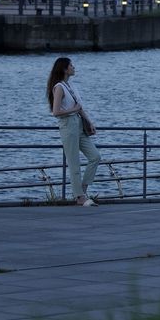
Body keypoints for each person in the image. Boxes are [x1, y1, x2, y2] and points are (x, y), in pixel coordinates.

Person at [46, 57, 101, 207]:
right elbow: (56, 112)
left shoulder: (70, 85)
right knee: (74, 162)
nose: (74, 68)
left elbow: (79, 106)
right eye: (71, 66)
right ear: (64, 69)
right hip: (68, 124)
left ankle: (82, 190)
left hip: (78, 124)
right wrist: (74, 110)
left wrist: (90, 122)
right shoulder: (59, 87)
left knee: (95, 156)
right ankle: (80, 197)